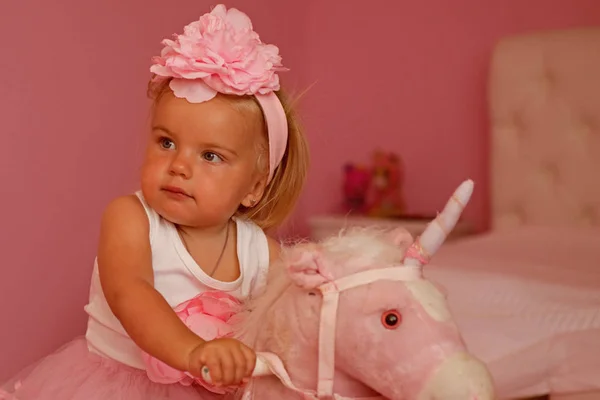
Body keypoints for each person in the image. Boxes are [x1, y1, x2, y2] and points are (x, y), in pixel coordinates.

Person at [0, 4, 309, 400]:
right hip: (117, 385)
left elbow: (302, 313)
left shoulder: (258, 252)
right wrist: (193, 351)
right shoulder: (131, 218)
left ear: (253, 187)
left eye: (210, 156)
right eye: (166, 142)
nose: (179, 165)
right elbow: (131, 291)